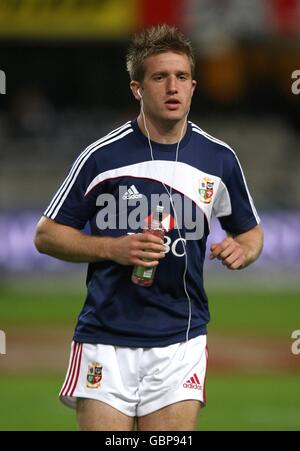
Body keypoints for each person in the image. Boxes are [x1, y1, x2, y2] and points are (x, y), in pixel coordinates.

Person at [34, 24, 263, 431]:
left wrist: (244, 250)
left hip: (181, 339)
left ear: (194, 86)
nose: (172, 87)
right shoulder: (102, 157)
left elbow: (250, 232)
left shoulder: (219, 159)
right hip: (106, 338)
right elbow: (46, 234)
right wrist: (112, 249)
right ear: (137, 88)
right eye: (159, 77)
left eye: (181, 77)